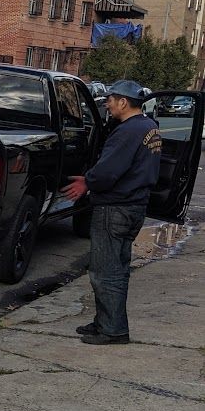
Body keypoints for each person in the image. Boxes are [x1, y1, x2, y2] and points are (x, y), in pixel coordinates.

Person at [63, 80, 161, 345]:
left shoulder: (127, 131)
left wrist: (88, 181)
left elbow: (108, 171)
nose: (106, 104)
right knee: (117, 268)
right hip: (134, 206)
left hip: (115, 208)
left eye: (110, 99)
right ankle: (104, 321)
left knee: (105, 271)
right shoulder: (149, 127)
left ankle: (113, 331)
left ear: (123, 102)